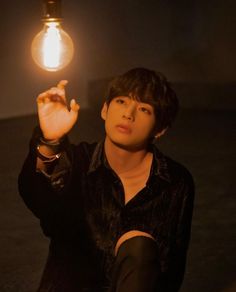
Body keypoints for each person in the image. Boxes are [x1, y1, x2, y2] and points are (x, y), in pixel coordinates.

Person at [18, 67, 194, 292]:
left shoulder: (175, 182)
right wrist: (50, 140)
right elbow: (37, 198)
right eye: (121, 102)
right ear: (104, 109)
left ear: (159, 129)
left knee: (139, 246)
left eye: (144, 109)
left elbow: (172, 267)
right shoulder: (78, 161)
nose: (128, 114)